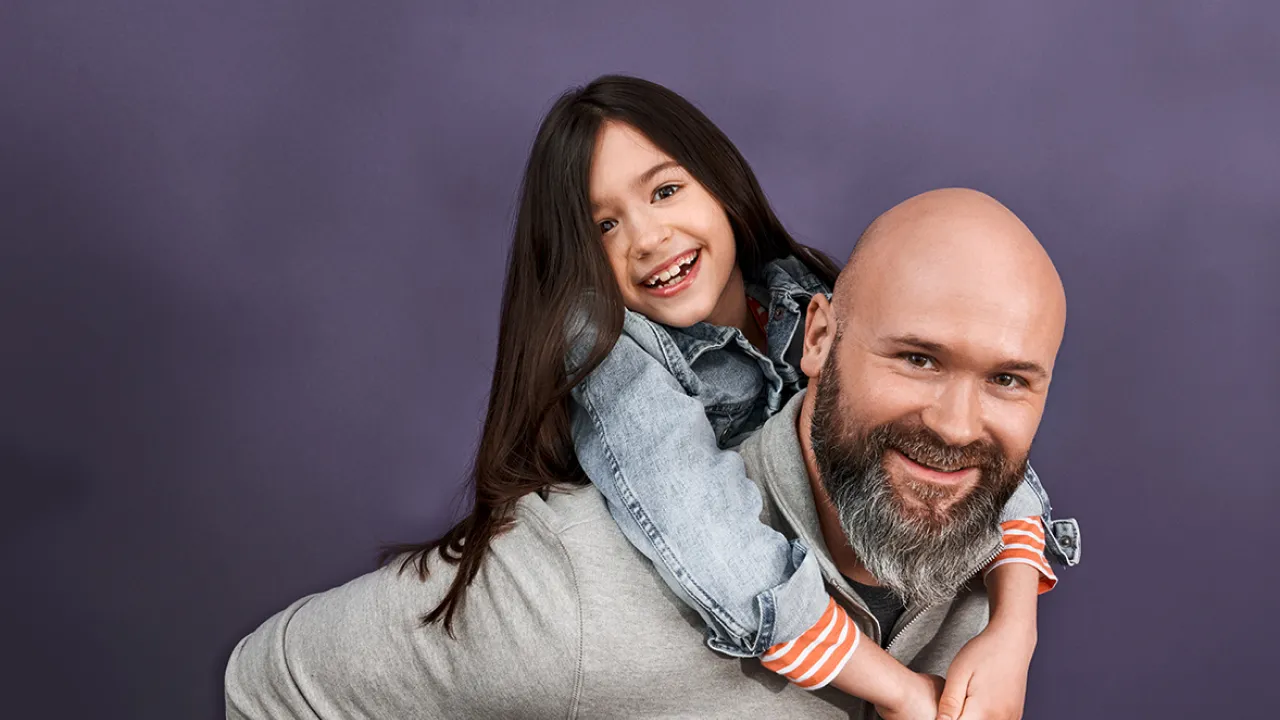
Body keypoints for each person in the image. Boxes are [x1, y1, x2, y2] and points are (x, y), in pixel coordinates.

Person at [225, 186, 1078, 719]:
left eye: (1009, 380)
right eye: (918, 358)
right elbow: (276, 687)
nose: (960, 425)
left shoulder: (979, 547)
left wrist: (1017, 628)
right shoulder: (577, 581)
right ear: (817, 337)